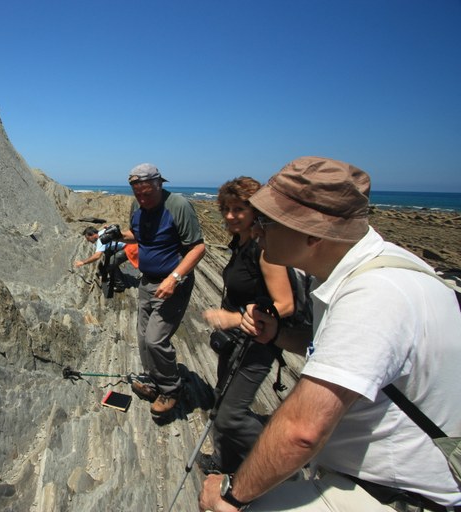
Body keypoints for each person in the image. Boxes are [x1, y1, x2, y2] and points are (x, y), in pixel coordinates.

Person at [198, 156, 461, 511]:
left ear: (312, 231)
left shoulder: (373, 297)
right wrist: (277, 335)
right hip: (374, 474)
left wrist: (230, 494)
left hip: (395, 492)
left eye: (267, 221)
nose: (256, 230)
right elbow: (332, 350)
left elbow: (302, 432)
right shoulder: (380, 266)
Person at [200, 177, 294, 474]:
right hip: (235, 341)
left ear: (255, 210)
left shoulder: (263, 248)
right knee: (221, 399)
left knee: (231, 416)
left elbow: (285, 304)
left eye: (239, 208)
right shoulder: (240, 242)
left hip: (256, 345)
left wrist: (235, 319)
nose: (230, 215)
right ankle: (224, 462)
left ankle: (280, 461)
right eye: (226, 208)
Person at [119, 163, 206, 418]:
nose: (143, 199)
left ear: (159, 184)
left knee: (156, 339)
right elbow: (137, 235)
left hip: (172, 283)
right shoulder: (137, 205)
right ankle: (153, 381)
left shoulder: (177, 205)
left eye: (147, 193)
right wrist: (117, 235)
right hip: (147, 281)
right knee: (143, 336)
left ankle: (171, 389)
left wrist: (175, 277)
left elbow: (198, 248)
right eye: (138, 194)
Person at [74, 226, 128, 291]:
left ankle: (120, 285)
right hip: (126, 244)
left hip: (128, 248)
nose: (88, 241)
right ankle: (117, 276)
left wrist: (83, 262)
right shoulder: (102, 231)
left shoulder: (100, 240)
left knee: (110, 264)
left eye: (88, 238)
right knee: (108, 254)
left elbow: (97, 256)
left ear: (92, 235)